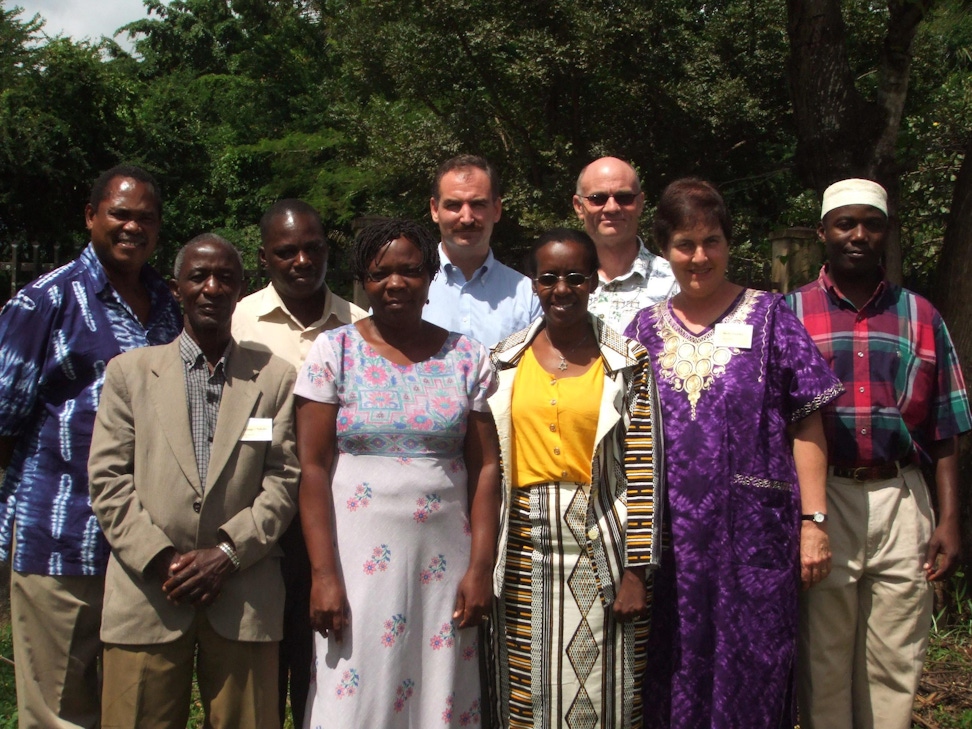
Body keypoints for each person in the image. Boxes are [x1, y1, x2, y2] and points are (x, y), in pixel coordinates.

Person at [624, 178, 843, 728]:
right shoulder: (641, 332)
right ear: (664, 250)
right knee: (669, 676)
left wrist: (813, 521)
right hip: (669, 546)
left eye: (712, 241)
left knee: (755, 671)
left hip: (754, 537)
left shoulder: (770, 318)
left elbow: (808, 419)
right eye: (684, 245)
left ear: (727, 242)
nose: (699, 257)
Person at [294, 218, 500, 727]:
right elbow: (313, 469)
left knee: (439, 694)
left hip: (444, 569)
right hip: (355, 568)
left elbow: (488, 467)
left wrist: (479, 569)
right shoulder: (333, 352)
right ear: (363, 280)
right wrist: (322, 576)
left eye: (410, 271)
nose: (395, 283)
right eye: (381, 272)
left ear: (431, 277)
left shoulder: (468, 357)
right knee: (355, 697)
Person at [88, 234, 299, 729]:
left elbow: (284, 478)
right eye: (199, 276)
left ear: (241, 288)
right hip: (149, 594)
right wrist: (165, 560)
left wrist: (226, 555)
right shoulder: (130, 374)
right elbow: (108, 479)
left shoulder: (274, 378)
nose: (212, 287)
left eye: (225, 277)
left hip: (244, 593)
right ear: (176, 287)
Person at [0, 164, 182, 728]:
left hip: (142, 550)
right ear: (91, 217)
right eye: (120, 214)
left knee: (128, 708)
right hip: (60, 539)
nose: (133, 227)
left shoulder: (167, 305)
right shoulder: (45, 303)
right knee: (58, 712)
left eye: (145, 218)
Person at [785, 179, 971, 729]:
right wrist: (801, 517)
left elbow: (945, 427)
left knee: (895, 658)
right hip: (823, 502)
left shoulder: (921, 315)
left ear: (886, 232)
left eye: (871, 223)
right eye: (846, 223)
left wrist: (950, 520)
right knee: (823, 655)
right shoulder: (786, 312)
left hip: (902, 498)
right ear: (823, 232)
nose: (858, 235)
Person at [488, 228, 662, 728]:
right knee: (525, 693)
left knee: (605, 694)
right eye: (548, 278)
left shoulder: (628, 362)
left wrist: (636, 572)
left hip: (602, 545)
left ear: (593, 282)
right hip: (521, 547)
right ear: (533, 284)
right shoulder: (503, 360)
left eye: (574, 277)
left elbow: (646, 471)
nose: (561, 289)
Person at [232, 198, 365, 727]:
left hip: (338, 510)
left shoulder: (359, 321)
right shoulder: (239, 319)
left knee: (326, 658)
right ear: (265, 258)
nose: (302, 261)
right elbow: (232, 418)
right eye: (286, 252)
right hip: (260, 508)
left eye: (313, 248)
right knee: (266, 658)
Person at [424, 154, 541, 347]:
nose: (467, 218)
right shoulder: (404, 290)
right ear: (435, 210)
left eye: (478, 204)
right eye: (454, 205)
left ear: (496, 209)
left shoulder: (527, 296)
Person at [574, 156, 677, 331]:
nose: (612, 208)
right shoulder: (561, 286)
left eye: (624, 197)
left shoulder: (675, 282)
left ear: (640, 203)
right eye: (598, 198)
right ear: (579, 206)